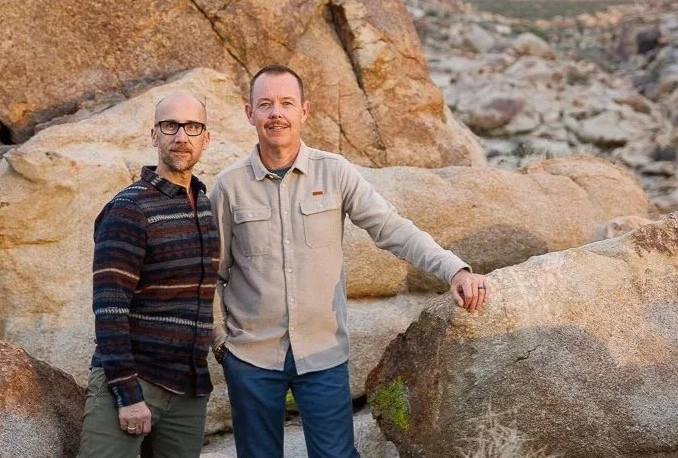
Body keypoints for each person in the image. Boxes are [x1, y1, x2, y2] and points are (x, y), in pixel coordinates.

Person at [210, 64, 489, 458]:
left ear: (304, 111)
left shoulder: (335, 171)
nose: (277, 113)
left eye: (286, 103)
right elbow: (208, 272)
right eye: (266, 104)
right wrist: (220, 340)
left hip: (321, 352)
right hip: (251, 358)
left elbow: (392, 228)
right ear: (249, 113)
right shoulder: (228, 186)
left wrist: (454, 268)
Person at [77, 92, 219, 458]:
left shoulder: (205, 207)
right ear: (154, 135)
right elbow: (109, 309)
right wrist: (127, 395)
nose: (181, 136)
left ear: (207, 137)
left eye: (192, 127)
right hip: (132, 383)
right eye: (170, 125)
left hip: (189, 391)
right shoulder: (129, 209)